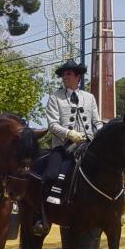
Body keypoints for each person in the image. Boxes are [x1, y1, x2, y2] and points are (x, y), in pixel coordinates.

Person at [33, 58, 103, 235]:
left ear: (77, 76)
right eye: (63, 74)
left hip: (88, 144)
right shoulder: (55, 97)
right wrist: (69, 134)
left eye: (68, 74)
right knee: (49, 176)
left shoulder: (89, 98)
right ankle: (42, 216)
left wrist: (99, 137)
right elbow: (52, 124)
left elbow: (97, 122)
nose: (64, 77)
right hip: (63, 146)